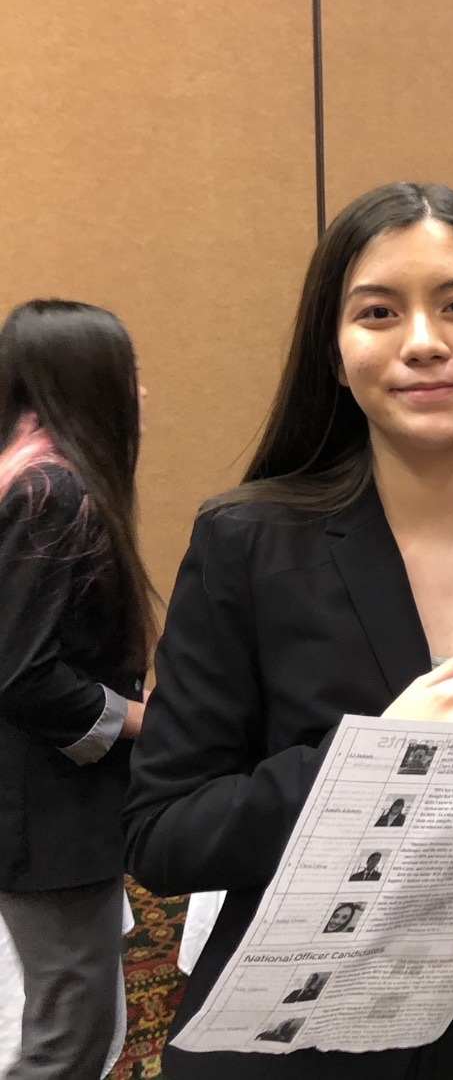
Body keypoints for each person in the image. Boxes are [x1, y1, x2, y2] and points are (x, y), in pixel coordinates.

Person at [123, 182, 453, 1080]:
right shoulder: (248, 541)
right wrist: (379, 759)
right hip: (294, 1031)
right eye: (379, 312)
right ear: (334, 354)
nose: (425, 342)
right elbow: (162, 833)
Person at [0, 300, 156, 1080]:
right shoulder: (50, 494)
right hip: (43, 816)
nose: (141, 395)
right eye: (128, 376)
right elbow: (21, 674)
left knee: (72, 1019)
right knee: (72, 1033)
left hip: (41, 812)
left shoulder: (25, 478)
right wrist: (141, 722)